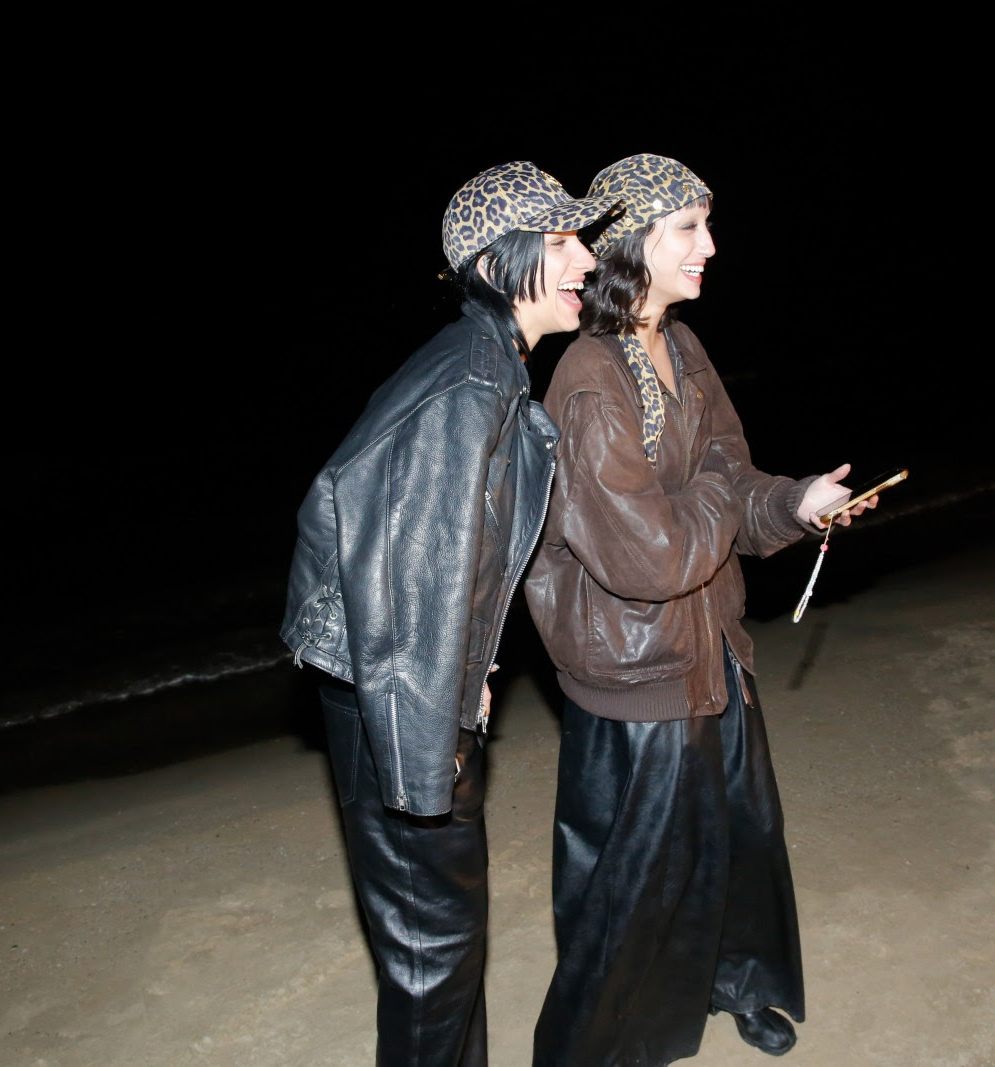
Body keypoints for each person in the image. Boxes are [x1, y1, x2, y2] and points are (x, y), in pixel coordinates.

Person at [523, 153, 876, 1064]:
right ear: (634, 243)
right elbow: (650, 558)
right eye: (689, 227)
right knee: (634, 883)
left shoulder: (682, 347)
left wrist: (796, 501)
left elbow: (732, 483)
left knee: (739, 835)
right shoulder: (590, 380)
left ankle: (739, 983)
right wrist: (721, 493)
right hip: (636, 670)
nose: (710, 245)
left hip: (711, 643)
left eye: (706, 225)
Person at [279, 161, 618, 1066]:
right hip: (393, 691)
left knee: (445, 940)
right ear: (500, 263)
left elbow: (445, 558)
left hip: (398, 683)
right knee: (434, 949)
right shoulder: (471, 384)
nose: (587, 259)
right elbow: (409, 586)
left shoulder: (486, 362)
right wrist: (431, 747)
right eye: (561, 241)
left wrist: (470, 670)